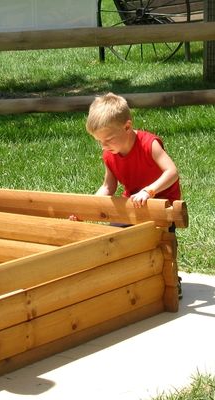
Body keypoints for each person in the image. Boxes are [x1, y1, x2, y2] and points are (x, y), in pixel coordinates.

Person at [78, 92, 183, 297]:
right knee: (113, 239)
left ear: (127, 127)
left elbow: (172, 172)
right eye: (99, 141)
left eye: (108, 139)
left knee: (163, 246)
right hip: (132, 205)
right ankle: (132, 279)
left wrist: (149, 191)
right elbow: (108, 186)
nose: (104, 146)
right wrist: (87, 208)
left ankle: (171, 280)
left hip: (161, 205)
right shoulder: (110, 154)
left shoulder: (148, 144)